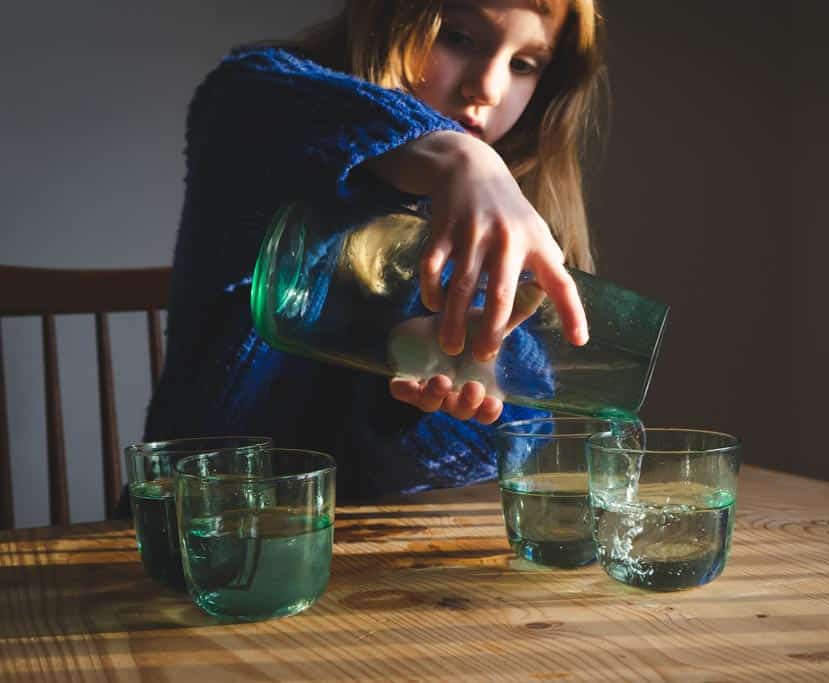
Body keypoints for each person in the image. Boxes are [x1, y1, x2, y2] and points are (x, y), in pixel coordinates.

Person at [143, 0, 608, 499]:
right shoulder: (263, 116)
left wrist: (433, 379)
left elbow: (512, 446)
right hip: (202, 525)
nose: (489, 89)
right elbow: (245, 94)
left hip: (358, 548)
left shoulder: (485, 243)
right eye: (457, 38)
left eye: (523, 64)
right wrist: (457, 153)